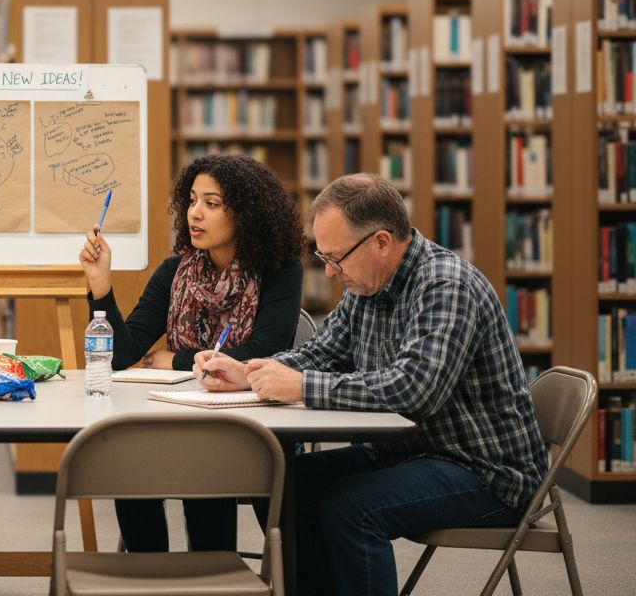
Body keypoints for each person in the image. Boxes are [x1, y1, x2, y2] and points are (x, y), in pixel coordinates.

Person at [196, 173, 549, 596]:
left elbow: (414, 390)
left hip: (486, 471)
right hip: (409, 452)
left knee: (351, 508)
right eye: (322, 256)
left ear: (381, 242)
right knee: (280, 483)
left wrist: (302, 387)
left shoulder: (445, 285)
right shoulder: (365, 283)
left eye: (336, 257)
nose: (329, 271)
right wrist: (250, 371)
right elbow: (320, 353)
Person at [79, 154, 303, 553]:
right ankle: (153, 577)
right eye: (192, 200)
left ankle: (208, 574)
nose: (195, 213)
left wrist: (176, 359)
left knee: (207, 467)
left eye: (212, 204)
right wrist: (101, 288)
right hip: (180, 419)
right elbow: (122, 353)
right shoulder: (174, 272)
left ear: (247, 215)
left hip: (250, 426)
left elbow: (262, 354)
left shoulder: (279, 271)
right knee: (129, 464)